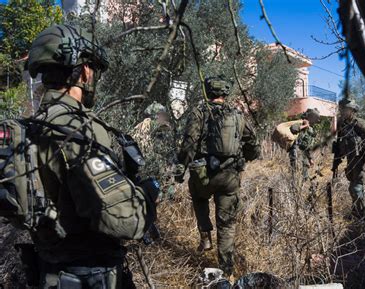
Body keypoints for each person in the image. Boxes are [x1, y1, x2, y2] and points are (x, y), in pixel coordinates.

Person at [25, 24, 157, 288]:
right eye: (94, 70)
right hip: (87, 275)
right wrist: (148, 194)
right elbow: (125, 221)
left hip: (48, 269)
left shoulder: (34, 125)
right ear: (85, 71)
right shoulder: (76, 128)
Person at [175, 76, 260, 277]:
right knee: (227, 225)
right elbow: (254, 145)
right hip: (229, 178)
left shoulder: (199, 113)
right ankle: (227, 270)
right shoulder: (238, 116)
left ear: (208, 92)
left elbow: (189, 143)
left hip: (203, 176)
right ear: (225, 93)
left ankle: (205, 233)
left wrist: (181, 167)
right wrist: (243, 159)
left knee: (197, 195)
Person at [333, 98, 365, 217]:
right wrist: (338, 156)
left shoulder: (359, 123)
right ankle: (356, 211)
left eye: (345, 109)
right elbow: (340, 141)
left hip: (360, 160)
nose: (342, 111)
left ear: (352, 110)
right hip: (350, 160)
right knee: (353, 188)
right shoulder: (342, 123)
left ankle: (363, 215)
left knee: (356, 188)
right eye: (341, 109)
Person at [132, 102, 175, 201]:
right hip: (155, 175)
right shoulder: (160, 128)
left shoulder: (139, 128)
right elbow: (167, 154)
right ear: (156, 115)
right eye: (162, 115)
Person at [288, 108, 322, 181]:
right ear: (311, 117)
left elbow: (307, 146)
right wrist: (304, 126)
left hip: (304, 156)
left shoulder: (311, 129)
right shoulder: (302, 122)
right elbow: (293, 129)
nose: (315, 121)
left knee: (304, 177)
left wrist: (310, 159)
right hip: (296, 153)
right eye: (315, 118)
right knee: (295, 176)